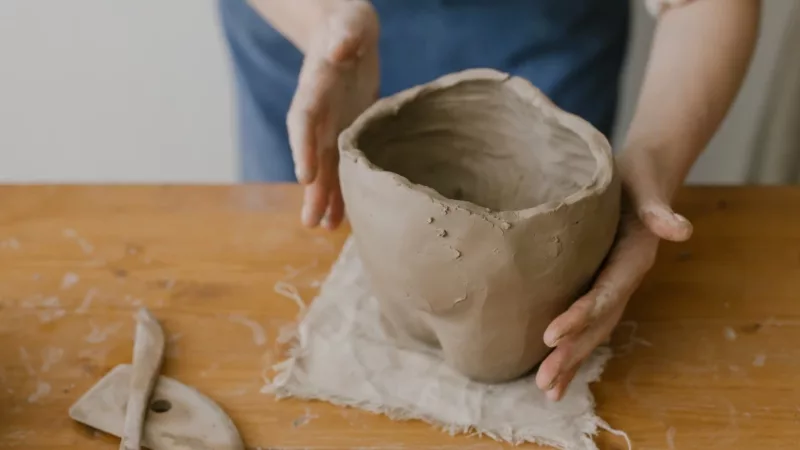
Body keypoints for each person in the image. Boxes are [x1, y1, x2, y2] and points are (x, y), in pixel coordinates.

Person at [217, 0, 760, 400]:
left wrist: (654, 164)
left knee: (515, 331)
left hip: (543, 64)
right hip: (323, 55)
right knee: (305, 253)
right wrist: (324, 24)